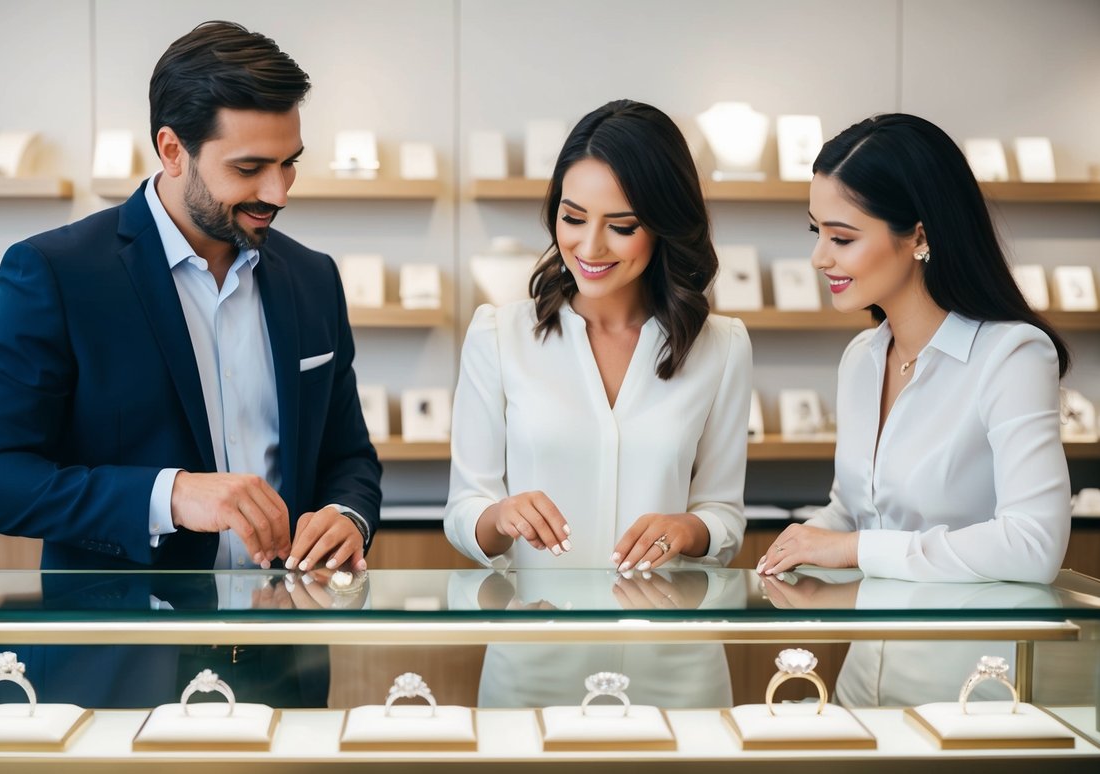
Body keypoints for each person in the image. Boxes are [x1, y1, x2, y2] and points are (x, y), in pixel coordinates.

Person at [0, 21, 382, 708]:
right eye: (248, 169)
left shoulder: (313, 278)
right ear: (171, 149)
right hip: (115, 673)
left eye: (290, 161)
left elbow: (348, 454)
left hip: (283, 666)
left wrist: (345, 515)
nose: (281, 191)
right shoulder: (57, 273)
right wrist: (171, 494)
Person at [756, 113, 1072, 706]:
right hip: (860, 679)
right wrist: (802, 545)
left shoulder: (1011, 354)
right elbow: (857, 510)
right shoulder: (861, 359)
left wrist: (851, 549)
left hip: (970, 689)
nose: (819, 258)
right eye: (815, 231)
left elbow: (1034, 544)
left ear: (920, 236)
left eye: (842, 237)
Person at [444, 100, 751, 708]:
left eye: (622, 225)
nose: (590, 245)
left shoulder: (721, 347)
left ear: (663, 224)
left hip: (676, 665)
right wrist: (500, 516)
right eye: (572, 217)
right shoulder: (497, 335)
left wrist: (688, 528)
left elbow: (725, 517)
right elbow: (463, 511)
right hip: (534, 660)